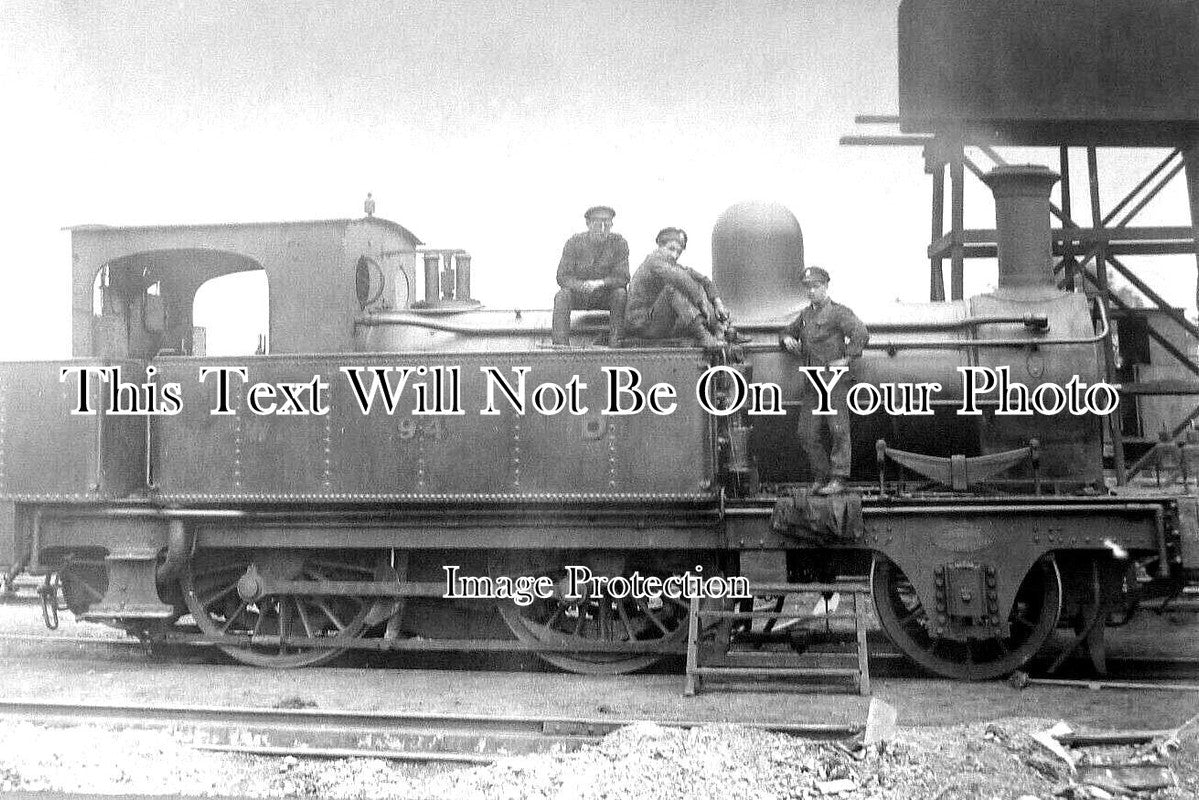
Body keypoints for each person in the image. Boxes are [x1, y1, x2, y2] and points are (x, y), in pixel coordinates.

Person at [779, 266, 869, 495]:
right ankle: (822, 475)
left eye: (815, 286)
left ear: (826, 287)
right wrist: (787, 338)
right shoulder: (805, 316)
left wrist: (846, 358)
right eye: (808, 287)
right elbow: (786, 331)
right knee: (806, 433)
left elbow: (861, 333)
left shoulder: (838, 312)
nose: (811, 291)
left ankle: (839, 479)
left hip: (833, 381)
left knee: (838, 430)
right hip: (813, 383)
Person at [626, 227, 733, 349]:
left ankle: (721, 328)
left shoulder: (672, 265)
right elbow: (679, 278)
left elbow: (704, 280)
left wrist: (717, 302)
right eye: (671, 249)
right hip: (642, 324)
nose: (674, 255)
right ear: (660, 246)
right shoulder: (653, 261)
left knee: (696, 286)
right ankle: (703, 335)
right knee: (673, 289)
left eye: (678, 252)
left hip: (658, 321)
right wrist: (700, 302)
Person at [552, 205, 630, 347]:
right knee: (562, 296)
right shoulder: (574, 243)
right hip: (580, 295)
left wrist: (600, 283)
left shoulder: (619, 243)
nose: (602, 229)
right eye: (598, 224)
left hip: (605, 296)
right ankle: (560, 345)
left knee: (620, 293)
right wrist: (581, 286)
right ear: (588, 224)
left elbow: (623, 277)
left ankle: (616, 342)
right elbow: (562, 276)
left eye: (607, 224)